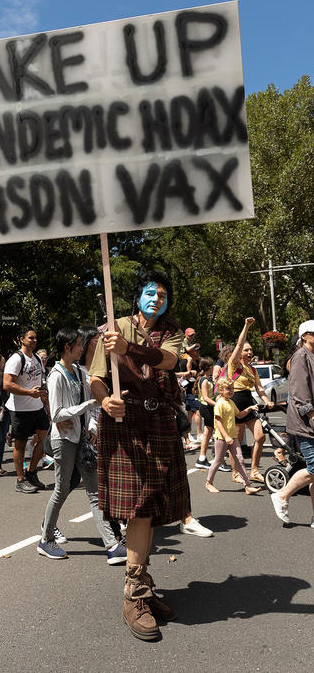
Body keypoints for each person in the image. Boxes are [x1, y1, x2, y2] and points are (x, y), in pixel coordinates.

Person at [88, 270, 186, 641]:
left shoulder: (171, 330)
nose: (157, 298)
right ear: (138, 296)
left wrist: (127, 348)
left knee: (155, 507)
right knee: (140, 507)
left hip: (158, 420)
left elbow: (168, 361)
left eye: (162, 293)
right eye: (150, 292)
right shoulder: (113, 327)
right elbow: (96, 376)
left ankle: (142, 583)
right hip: (124, 423)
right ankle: (134, 594)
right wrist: (105, 400)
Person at [38, 328, 125, 564]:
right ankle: (45, 540)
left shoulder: (77, 370)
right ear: (67, 347)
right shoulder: (56, 375)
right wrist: (87, 406)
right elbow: (56, 414)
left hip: (80, 439)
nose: (82, 348)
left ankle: (112, 545)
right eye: (78, 344)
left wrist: (92, 421)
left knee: (95, 492)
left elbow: (93, 401)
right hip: (63, 439)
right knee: (62, 489)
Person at [271, 319, 314, 526]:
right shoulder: (300, 357)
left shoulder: (312, 356)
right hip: (306, 423)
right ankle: (282, 496)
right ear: (305, 336)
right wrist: (312, 416)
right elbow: (299, 394)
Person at [224, 317, 273, 482]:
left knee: (260, 437)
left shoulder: (253, 369)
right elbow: (239, 344)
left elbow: (259, 388)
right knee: (236, 442)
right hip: (236, 401)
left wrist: (267, 400)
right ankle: (235, 473)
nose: (249, 353)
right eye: (246, 350)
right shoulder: (234, 365)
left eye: (251, 350)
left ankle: (254, 470)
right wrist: (246, 325)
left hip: (249, 401)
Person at [4, 327, 50, 494]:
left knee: (46, 439)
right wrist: (29, 392)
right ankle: (20, 479)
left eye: (35, 338)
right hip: (20, 409)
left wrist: (42, 394)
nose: (34, 340)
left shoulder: (37, 358)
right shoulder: (16, 359)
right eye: (31, 338)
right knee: (20, 444)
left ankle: (31, 472)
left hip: (37, 406)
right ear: (21, 339)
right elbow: (7, 384)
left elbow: (38, 380)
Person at [205, 377, 263, 494]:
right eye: (228, 389)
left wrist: (249, 408)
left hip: (233, 436)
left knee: (240, 459)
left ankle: (247, 486)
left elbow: (240, 415)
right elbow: (218, 422)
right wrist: (226, 436)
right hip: (222, 437)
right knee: (218, 460)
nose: (231, 391)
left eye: (232, 388)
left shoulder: (231, 402)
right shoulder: (219, 404)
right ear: (221, 390)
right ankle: (209, 483)